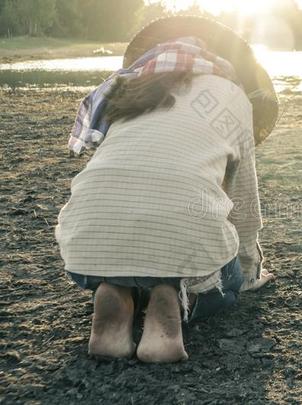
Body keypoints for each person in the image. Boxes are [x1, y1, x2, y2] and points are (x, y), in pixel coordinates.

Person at [55, 17, 279, 363]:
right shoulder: (233, 96)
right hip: (179, 245)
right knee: (228, 283)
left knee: (119, 259)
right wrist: (249, 272)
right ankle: (170, 299)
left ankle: (115, 290)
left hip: (86, 246)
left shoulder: (128, 89)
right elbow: (245, 205)